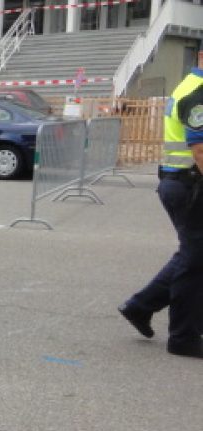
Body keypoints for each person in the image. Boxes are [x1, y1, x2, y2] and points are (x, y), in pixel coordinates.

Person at [118, 47, 203, 359]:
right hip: (188, 185)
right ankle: (183, 338)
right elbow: (200, 150)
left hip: (184, 183)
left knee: (193, 255)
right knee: (194, 261)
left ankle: (141, 306)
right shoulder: (197, 93)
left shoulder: (192, 87)